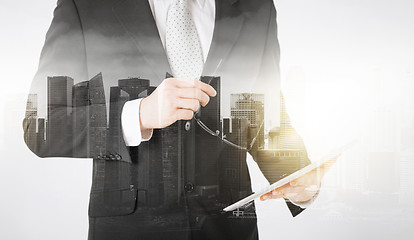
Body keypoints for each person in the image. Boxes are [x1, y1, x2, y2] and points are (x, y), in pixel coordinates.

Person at [23, 0, 329, 239]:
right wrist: (138, 114)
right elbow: (41, 123)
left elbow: (264, 112)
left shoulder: (255, 6)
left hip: (230, 232)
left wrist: (299, 176)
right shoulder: (85, 5)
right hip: (132, 232)